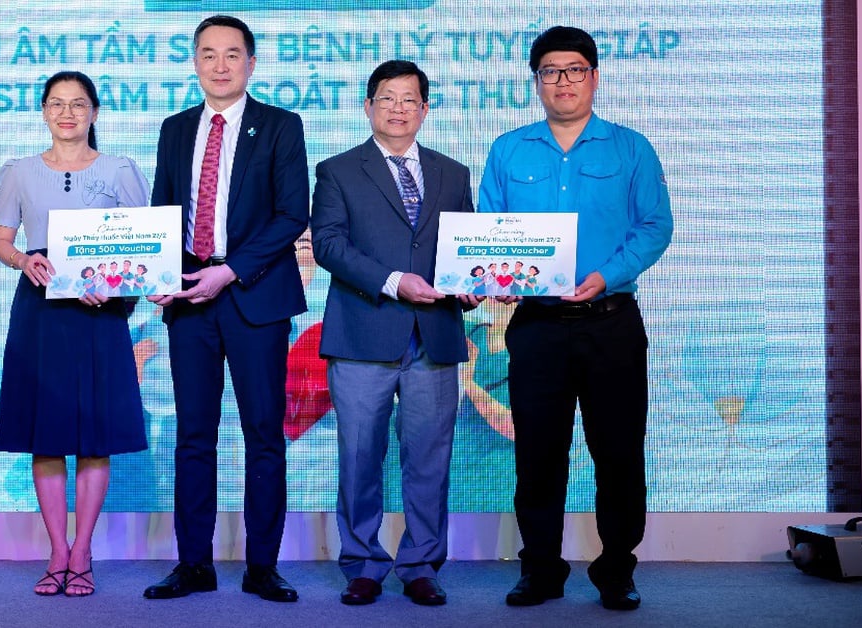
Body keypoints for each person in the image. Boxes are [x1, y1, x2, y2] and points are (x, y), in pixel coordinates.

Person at [477, 26, 673, 611]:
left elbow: (655, 226)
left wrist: (607, 276)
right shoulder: (509, 149)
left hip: (611, 321)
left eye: (574, 69)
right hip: (536, 328)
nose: (562, 81)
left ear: (594, 76)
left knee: (617, 451)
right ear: (536, 81)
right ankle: (540, 569)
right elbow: (492, 231)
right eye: (550, 72)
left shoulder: (630, 147)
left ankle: (617, 569)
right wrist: (497, 279)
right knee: (538, 452)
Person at [142, 14, 309, 603]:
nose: (220, 65)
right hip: (189, 300)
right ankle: (194, 565)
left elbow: (293, 215)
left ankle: (262, 566)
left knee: (264, 434)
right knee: (194, 435)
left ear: (251, 63)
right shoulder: (174, 127)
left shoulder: (281, 126)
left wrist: (230, 271)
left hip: (255, 299)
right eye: (208, 54)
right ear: (195, 62)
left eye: (232, 55)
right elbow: (163, 210)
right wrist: (157, 274)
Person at [310, 59, 481, 607]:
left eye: (410, 99)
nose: (399, 108)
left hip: (434, 336)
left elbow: (465, 247)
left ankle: (421, 564)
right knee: (360, 455)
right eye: (388, 98)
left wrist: (473, 284)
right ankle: (363, 562)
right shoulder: (337, 170)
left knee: (429, 456)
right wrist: (393, 282)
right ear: (368, 106)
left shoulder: (453, 173)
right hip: (363, 333)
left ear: (426, 109)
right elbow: (330, 245)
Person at [0, 70, 152, 598]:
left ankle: (83, 550)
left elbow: (144, 244)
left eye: (78, 105)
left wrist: (113, 283)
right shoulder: (19, 172)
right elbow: (2, 239)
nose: (67, 114)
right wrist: (23, 260)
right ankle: (56, 549)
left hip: (99, 314)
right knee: (47, 433)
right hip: (41, 314)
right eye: (57, 104)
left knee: (93, 436)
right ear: (43, 111)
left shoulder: (119, 168)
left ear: (95, 113)